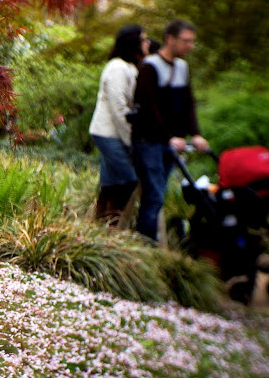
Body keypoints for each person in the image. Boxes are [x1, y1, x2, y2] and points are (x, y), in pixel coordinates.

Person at [131, 18, 209, 241]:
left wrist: (195, 133)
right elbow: (149, 107)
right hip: (149, 140)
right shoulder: (150, 67)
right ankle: (146, 246)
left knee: (158, 194)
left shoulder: (182, 67)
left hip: (170, 142)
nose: (189, 46)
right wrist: (169, 137)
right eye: (185, 41)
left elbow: (187, 103)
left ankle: (147, 242)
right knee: (153, 195)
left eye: (191, 41)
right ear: (170, 39)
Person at [88, 24, 148, 226]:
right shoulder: (117, 68)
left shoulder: (129, 68)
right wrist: (131, 140)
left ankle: (97, 227)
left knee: (111, 182)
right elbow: (119, 108)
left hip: (114, 133)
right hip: (107, 133)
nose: (147, 43)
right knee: (127, 180)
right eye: (143, 39)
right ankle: (110, 226)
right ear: (133, 43)